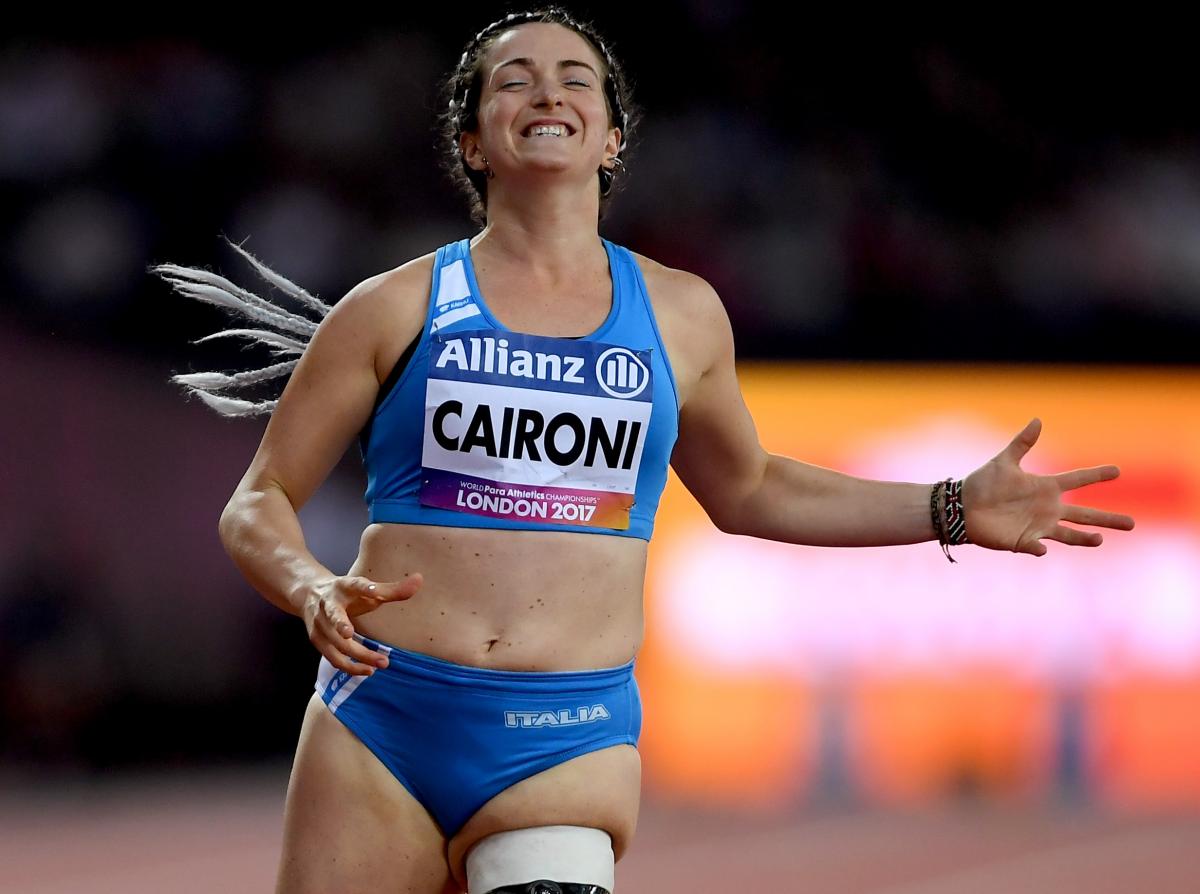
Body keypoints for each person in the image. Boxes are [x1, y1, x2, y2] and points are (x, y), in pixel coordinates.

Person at [153, 8, 1135, 894]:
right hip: (381, 724)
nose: (547, 91)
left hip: (562, 742)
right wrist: (310, 586)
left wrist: (949, 506)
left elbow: (750, 489)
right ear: (471, 142)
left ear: (613, 137)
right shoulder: (393, 307)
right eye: (514, 78)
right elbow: (259, 499)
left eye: (575, 77)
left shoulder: (679, 314)